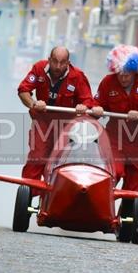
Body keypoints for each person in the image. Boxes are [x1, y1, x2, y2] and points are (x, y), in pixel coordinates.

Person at [92, 44, 138, 216]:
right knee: (113, 171)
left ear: (136, 71)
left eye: (127, 73)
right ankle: (99, 209)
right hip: (114, 138)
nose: (123, 77)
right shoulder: (108, 82)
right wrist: (96, 109)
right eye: (119, 73)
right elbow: (97, 102)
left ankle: (126, 219)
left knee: (135, 181)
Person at [17, 46, 95, 196]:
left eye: (62, 63)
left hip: (65, 128)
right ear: (49, 60)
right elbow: (23, 90)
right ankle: (27, 196)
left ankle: (52, 197)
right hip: (43, 123)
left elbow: (88, 100)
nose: (58, 66)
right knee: (37, 157)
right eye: (55, 62)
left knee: (58, 163)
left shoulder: (78, 76)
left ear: (68, 63)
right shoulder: (39, 68)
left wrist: (82, 106)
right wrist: (33, 103)